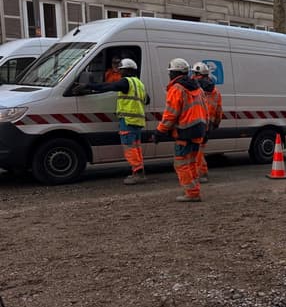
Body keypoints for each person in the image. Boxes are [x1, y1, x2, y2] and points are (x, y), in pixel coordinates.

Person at [73, 58, 148, 185]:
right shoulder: (139, 84)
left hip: (128, 120)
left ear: (128, 70)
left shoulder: (126, 82)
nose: (120, 73)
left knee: (130, 148)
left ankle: (138, 174)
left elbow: (108, 86)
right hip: (138, 121)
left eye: (122, 70)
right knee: (136, 148)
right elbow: (147, 100)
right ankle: (139, 172)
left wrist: (88, 86)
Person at [154, 58, 209, 202]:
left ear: (174, 73)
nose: (169, 75)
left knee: (181, 164)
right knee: (191, 162)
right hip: (198, 130)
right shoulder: (198, 88)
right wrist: (206, 129)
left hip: (184, 132)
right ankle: (194, 189)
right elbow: (206, 111)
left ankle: (191, 193)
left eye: (170, 73)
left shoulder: (177, 88)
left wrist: (159, 132)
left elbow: (170, 114)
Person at [191, 61, 223, 183]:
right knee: (200, 149)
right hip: (208, 124)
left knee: (196, 150)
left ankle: (201, 173)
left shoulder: (194, 87)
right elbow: (219, 109)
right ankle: (200, 172)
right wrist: (216, 123)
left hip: (197, 121)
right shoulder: (215, 90)